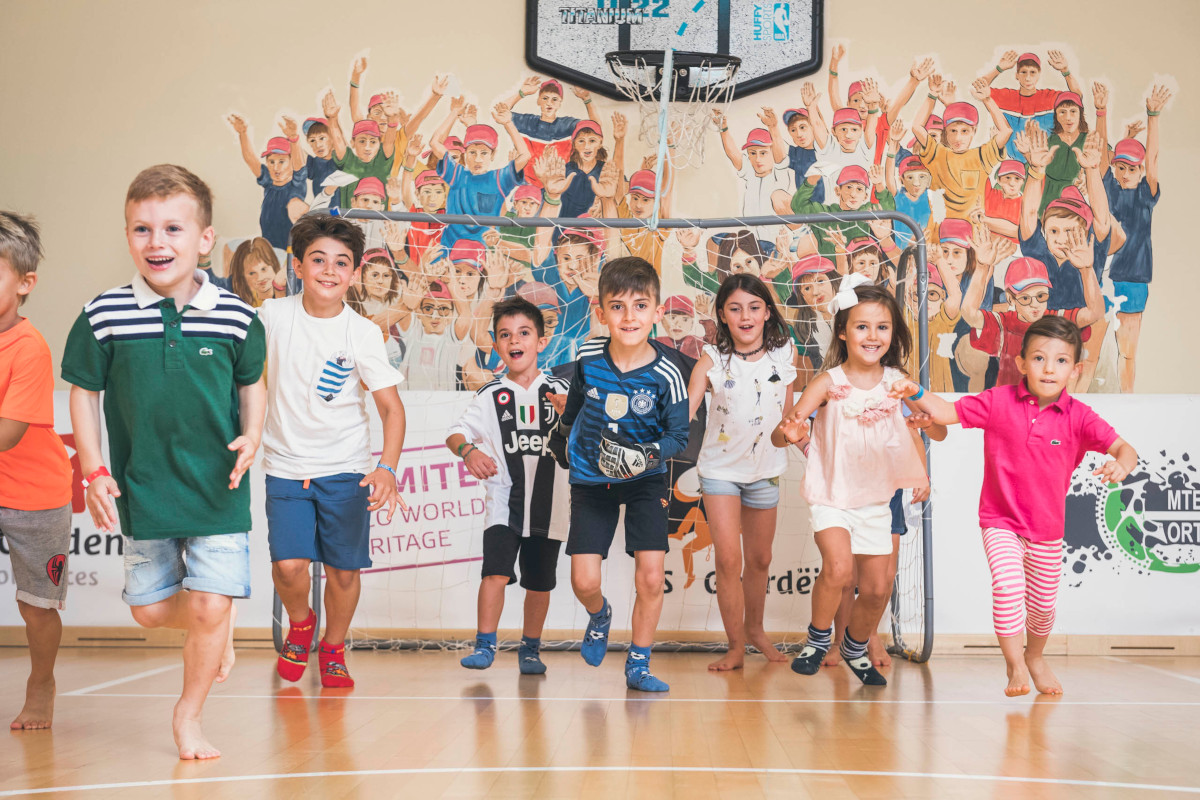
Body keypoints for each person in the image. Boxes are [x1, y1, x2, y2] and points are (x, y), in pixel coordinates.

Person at [62, 165, 266, 759]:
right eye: (142, 229)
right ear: (128, 236)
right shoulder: (102, 314)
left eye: (173, 228)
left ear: (203, 239)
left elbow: (252, 381)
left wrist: (252, 433)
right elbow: (84, 392)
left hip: (217, 488)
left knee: (208, 600)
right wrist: (94, 471)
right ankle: (213, 626)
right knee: (151, 611)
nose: (158, 242)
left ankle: (189, 715)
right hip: (143, 487)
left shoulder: (236, 315)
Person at [891, 315, 1137, 696]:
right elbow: (944, 413)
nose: (1049, 368)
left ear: (1075, 370)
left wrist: (1122, 464)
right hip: (1000, 521)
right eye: (1039, 358)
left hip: (1047, 530)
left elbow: (1125, 448)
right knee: (1007, 587)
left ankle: (1035, 656)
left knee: (1041, 609)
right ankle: (1015, 665)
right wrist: (913, 389)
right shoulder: (998, 402)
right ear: (1021, 364)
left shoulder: (1079, 417)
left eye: (1060, 361)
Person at [260, 215, 405, 689]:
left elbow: (391, 409)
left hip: (346, 470)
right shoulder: (271, 317)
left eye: (341, 262)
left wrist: (386, 467)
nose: (329, 270)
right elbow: (247, 384)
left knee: (344, 572)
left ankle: (334, 647)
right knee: (288, 566)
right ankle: (301, 623)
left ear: (354, 272)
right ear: (298, 266)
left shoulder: (362, 332)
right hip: (285, 467)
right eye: (318, 259)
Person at [773, 279, 928, 686]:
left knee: (877, 588)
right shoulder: (828, 381)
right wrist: (789, 430)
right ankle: (819, 637)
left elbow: (933, 430)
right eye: (862, 326)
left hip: (876, 500)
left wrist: (923, 468)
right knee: (839, 569)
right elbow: (786, 429)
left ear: (892, 333)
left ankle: (856, 645)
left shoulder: (898, 382)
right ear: (843, 331)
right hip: (831, 495)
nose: (872, 336)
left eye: (882, 327)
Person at [546, 257, 690, 692]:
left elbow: (679, 436)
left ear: (657, 313)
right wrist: (563, 435)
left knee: (650, 575)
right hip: (591, 479)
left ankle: (639, 664)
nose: (630, 317)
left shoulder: (668, 373)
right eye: (618, 306)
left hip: (644, 479)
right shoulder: (588, 354)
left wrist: (646, 455)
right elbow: (573, 408)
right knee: (583, 579)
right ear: (600, 311)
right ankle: (600, 615)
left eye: (640, 306)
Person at [447, 297, 570, 673]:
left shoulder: (563, 390)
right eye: (505, 334)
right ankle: (485, 644)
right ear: (497, 344)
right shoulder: (490, 396)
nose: (514, 340)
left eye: (523, 332)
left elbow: (585, 434)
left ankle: (530, 649)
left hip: (551, 506)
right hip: (504, 500)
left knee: (538, 583)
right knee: (495, 573)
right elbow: (455, 433)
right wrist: (469, 452)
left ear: (541, 341)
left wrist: (572, 415)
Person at [685, 274, 797, 671]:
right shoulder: (713, 359)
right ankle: (735, 646)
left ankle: (756, 630)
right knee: (729, 561)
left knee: (761, 559)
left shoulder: (785, 355)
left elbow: (788, 421)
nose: (745, 315)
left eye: (753, 307)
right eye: (735, 308)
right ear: (723, 316)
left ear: (767, 312)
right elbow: (686, 408)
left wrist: (805, 440)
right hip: (719, 471)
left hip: (765, 470)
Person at [0, 212, 72, 731]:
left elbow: (9, 434)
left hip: (34, 492)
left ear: (25, 284)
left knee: (37, 608)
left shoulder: (29, 348)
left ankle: (41, 683)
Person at [225, 114, 308, 250]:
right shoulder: (269, 183)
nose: (276, 167)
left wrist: (293, 138)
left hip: (290, 252)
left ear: (291, 163)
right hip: (268, 250)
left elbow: (299, 164)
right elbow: (250, 159)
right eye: (271, 162)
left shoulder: (296, 185)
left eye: (282, 161)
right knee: (231, 248)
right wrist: (242, 133)